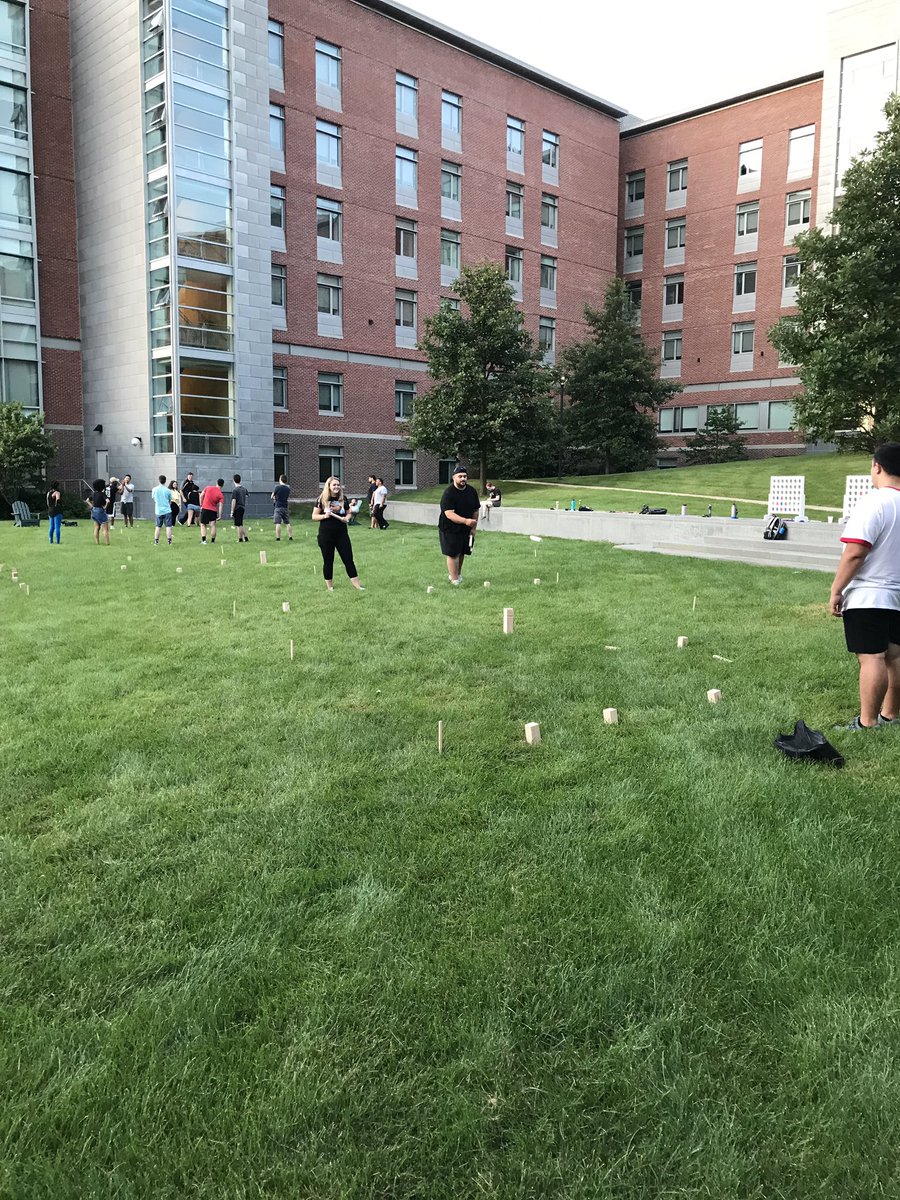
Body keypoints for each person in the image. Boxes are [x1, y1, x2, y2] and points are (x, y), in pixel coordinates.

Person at [829, 442, 900, 730]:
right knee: (895, 656)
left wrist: (836, 589)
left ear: (877, 466)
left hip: (869, 595)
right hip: (897, 596)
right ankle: (890, 714)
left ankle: (867, 722)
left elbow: (855, 552)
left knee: (872, 658)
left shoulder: (874, 502)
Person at [312, 476, 365, 592]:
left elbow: (348, 512)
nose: (336, 487)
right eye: (334, 485)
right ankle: (330, 587)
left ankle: (357, 585)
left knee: (348, 559)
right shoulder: (321, 499)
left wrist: (347, 518)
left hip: (341, 534)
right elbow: (314, 516)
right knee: (328, 560)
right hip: (326, 535)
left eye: (338, 485)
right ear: (329, 486)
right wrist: (324, 516)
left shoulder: (343, 499)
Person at [438, 464, 479, 585]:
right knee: (453, 553)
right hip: (449, 528)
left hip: (465, 527)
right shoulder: (449, 493)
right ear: (454, 477)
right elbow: (449, 514)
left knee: (462, 552)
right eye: (460, 476)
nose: (463, 479)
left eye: (465, 476)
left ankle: (458, 575)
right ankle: (454, 580)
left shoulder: (471, 491)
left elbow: (475, 510)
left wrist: (473, 528)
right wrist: (466, 521)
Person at [199, 477, 224, 544]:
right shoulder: (221, 494)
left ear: (216, 483)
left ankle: (204, 540)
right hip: (213, 510)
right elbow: (220, 506)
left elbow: (201, 496)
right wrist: (220, 515)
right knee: (213, 525)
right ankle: (213, 541)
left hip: (205, 508)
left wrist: (201, 504)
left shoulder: (208, 487)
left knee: (203, 524)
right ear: (222, 485)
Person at [152, 474, 175, 545]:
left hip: (158, 510)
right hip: (167, 510)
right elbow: (170, 500)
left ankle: (156, 541)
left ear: (159, 480)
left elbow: (154, 499)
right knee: (168, 526)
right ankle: (169, 541)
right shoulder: (168, 490)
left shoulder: (154, 489)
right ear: (165, 481)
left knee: (158, 526)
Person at [86, 479, 110, 545]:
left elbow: (87, 500)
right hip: (100, 511)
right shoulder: (102, 494)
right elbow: (108, 501)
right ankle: (107, 543)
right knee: (105, 528)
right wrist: (105, 507)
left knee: (96, 527)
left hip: (94, 511)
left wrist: (92, 506)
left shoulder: (93, 494)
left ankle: (97, 542)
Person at [271, 474, 293, 541]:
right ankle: (290, 536)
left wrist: (274, 497)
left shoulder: (277, 487)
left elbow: (272, 496)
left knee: (278, 523)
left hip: (278, 507)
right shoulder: (288, 489)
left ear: (280, 479)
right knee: (287, 523)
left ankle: (278, 537)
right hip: (285, 507)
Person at [231, 473, 249, 542]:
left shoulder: (235, 490)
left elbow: (234, 500)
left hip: (237, 508)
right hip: (242, 507)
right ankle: (246, 537)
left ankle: (240, 538)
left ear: (234, 480)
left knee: (238, 525)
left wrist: (232, 511)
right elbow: (247, 495)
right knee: (240, 523)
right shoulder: (244, 489)